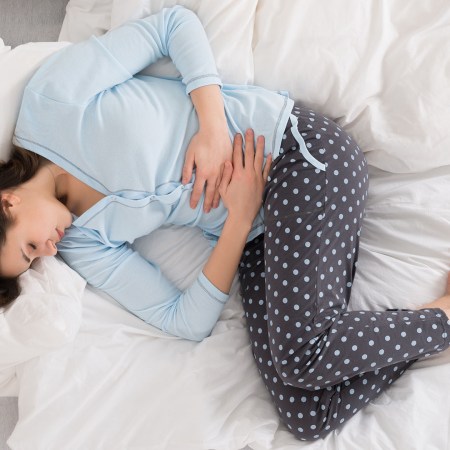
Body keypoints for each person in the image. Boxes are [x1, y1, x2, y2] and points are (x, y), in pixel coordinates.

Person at [0, 5, 449, 440]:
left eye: (29, 248)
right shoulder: (80, 241)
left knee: (300, 359)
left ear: (7, 204)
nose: (49, 253)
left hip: (296, 155)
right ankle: (436, 322)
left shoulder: (51, 104)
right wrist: (239, 219)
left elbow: (172, 27)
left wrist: (213, 127)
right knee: (307, 415)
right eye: (35, 260)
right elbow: (181, 320)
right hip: (256, 234)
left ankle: (444, 319)